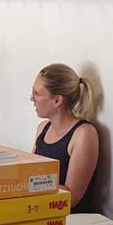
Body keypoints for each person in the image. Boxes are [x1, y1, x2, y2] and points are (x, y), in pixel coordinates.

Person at [31, 63, 99, 212]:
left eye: (36, 93)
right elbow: (30, 174)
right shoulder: (42, 128)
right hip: (41, 210)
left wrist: (27, 185)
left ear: (57, 100)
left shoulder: (84, 133)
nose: (31, 98)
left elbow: (72, 197)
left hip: (71, 219)